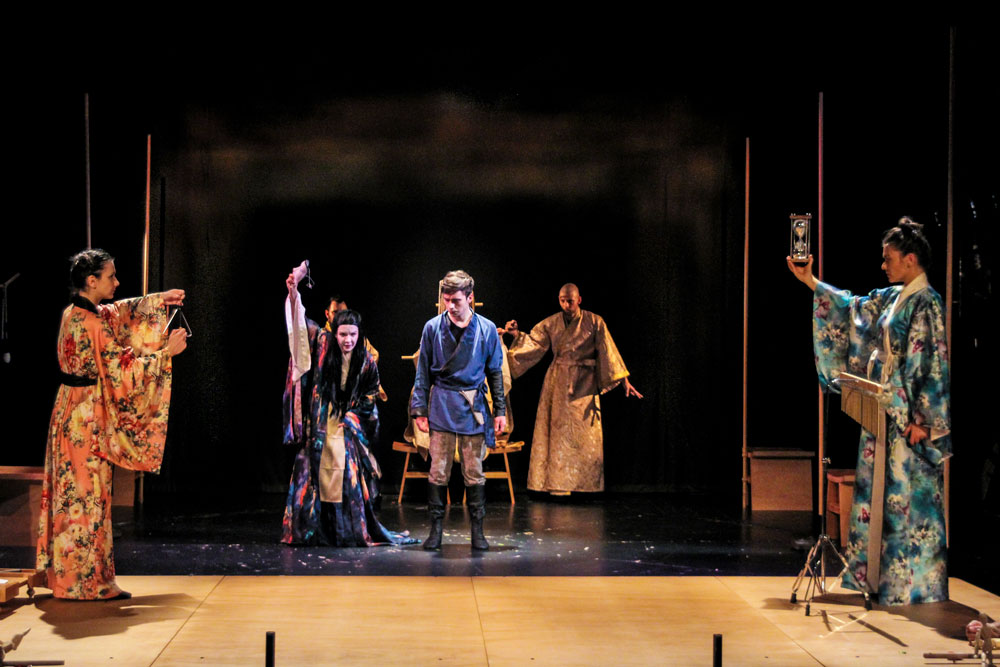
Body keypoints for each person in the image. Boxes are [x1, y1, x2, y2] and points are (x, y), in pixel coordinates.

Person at [787, 218, 951, 605]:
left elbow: (933, 362)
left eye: (888, 258)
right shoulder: (894, 297)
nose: (883, 265)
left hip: (908, 415)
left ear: (910, 259)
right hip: (884, 406)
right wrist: (811, 281)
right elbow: (853, 307)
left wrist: (924, 420)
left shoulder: (927, 302)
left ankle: (913, 585)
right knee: (880, 494)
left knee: (908, 498)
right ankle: (878, 579)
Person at [37, 248, 188, 600]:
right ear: (92, 281)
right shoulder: (92, 325)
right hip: (86, 418)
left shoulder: (73, 313)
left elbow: (117, 312)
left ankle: (67, 578)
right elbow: (123, 371)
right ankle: (86, 582)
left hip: (68, 409)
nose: (116, 282)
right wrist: (166, 353)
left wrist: (158, 300)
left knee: (73, 494)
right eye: (110, 276)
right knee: (87, 496)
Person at [283, 262, 416, 546]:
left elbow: (370, 395)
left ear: (359, 334)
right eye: (343, 334)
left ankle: (345, 533)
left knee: (346, 480)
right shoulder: (322, 344)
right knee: (314, 478)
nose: (348, 340)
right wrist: (294, 292)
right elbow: (299, 327)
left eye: (353, 335)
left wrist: (353, 419)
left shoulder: (366, 360)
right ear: (335, 332)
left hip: (346, 427)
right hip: (320, 425)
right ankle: (313, 533)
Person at [503, 283, 642, 496]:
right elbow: (535, 343)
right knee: (557, 432)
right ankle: (556, 484)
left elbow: (608, 351)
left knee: (582, 433)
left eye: (570, 300)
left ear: (579, 300)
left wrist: (624, 381)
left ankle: (584, 485)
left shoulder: (594, 321)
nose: (566, 305)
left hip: (584, 382)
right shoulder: (552, 323)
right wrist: (516, 335)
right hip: (557, 380)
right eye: (562, 300)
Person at [410, 270, 506, 551]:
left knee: (474, 470)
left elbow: (495, 372)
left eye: (456, 300)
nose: (450, 306)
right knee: (438, 470)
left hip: (472, 404)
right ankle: (436, 530)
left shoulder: (487, 329)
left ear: (470, 297)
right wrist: (419, 409)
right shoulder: (432, 328)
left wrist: (500, 410)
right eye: (447, 299)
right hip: (442, 402)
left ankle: (478, 531)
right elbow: (422, 373)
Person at [323, 294, 387, 402]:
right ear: (327, 314)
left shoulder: (356, 337)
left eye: (343, 312)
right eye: (335, 312)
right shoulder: (321, 339)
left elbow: (373, 356)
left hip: (355, 396)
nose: (340, 317)